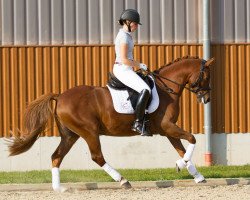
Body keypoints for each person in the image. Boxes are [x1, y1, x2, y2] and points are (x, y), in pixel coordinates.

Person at [113, 9, 152, 136]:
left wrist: (137, 66)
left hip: (126, 68)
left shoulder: (126, 35)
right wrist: (139, 65)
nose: (136, 26)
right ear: (127, 22)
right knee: (145, 89)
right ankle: (138, 123)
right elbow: (124, 59)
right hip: (122, 69)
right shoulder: (123, 37)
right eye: (135, 24)